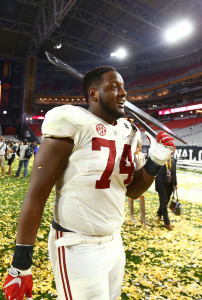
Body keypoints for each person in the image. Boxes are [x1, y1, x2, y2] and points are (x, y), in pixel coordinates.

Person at [3, 66, 175, 300]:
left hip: (114, 241)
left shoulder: (127, 130)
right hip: (77, 245)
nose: (123, 93)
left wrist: (155, 161)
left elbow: (132, 191)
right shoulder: (72, 121)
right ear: (93, 94)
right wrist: (21, 262)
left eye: (124, 87)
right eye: (114, 87)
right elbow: (37, 192)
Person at [155, 156, 177, 231]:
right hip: (161, 184)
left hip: (170, 184)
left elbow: (174, 172)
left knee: (166, 201)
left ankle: (159, 213)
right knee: (164, 203)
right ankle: (167, 223)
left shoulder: (173, 160)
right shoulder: (160, 158)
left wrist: (175, 184)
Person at [128, 140, 147, 225]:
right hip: (132, 178)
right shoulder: (130, 155)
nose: (138, 149)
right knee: (131, 196)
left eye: (139, 147)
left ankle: (143, 218)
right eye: (137, 147)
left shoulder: (142, 155)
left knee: (142, 196)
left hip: (140, 178)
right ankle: (132, 216)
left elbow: (144, 166)